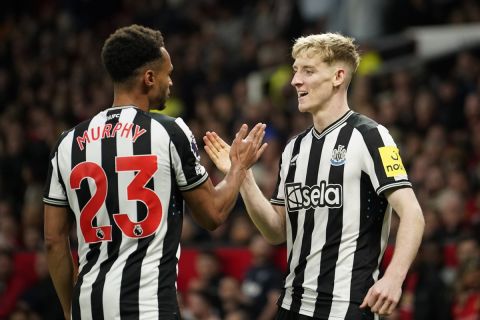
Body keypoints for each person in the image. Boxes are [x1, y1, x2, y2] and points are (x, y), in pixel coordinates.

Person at [43, 24, 266, 320]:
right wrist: (238, 168)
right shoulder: (169, 132)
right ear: (149, 78)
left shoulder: (67, 143)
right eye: (167, 73)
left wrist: (72, 310)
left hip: (89, 306)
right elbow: (212, 214)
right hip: (149, 307)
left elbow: (54, 241)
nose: (171, 82)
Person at [203, 33, 425, 320]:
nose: (295, 80)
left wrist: (394, 278)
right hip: (291, 306)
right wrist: (242, 175)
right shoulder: (294, 147)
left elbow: (413, 214)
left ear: (338, 77)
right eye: (296, 70)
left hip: (347, 306)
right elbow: (276, 231)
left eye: (308, 70)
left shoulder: (371, 136)